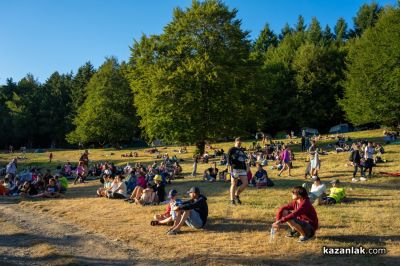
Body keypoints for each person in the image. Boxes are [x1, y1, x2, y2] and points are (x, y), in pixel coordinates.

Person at [228, 137, 248, 205]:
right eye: (238, 142)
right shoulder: (232, 149)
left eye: (240, 142)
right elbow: (228, 158)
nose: (239, 143)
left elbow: (244, 160)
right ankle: (232, 200)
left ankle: (236, 195)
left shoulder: (242, 150)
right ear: (235, 142)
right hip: (235, 169)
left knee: (245, 183)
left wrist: (245, 167)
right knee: (234, 183)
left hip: (242, 169)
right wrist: (230, 167)